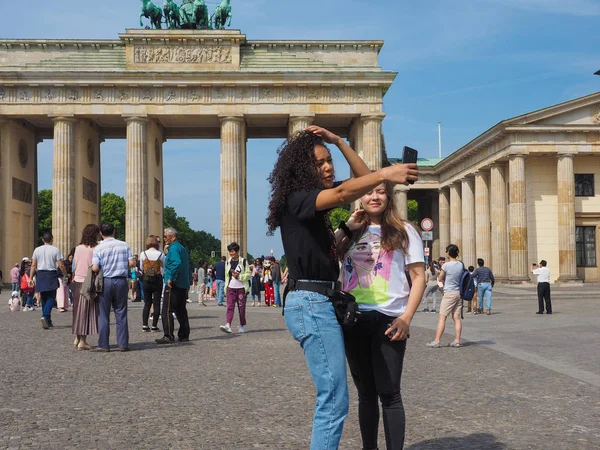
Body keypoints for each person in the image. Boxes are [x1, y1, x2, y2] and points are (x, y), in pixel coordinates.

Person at [266, 126, 418, 450]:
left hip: (317, 300)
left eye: (329, 160)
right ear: (302, 170)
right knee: (334, 399)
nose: (328, 167)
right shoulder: (298, 200)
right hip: (310, 302)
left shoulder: (309, 206)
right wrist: (391, 170)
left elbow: (367, 180)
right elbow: (342, 194)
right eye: (319, 163)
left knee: (335, 397)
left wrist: (339, 141)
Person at [338, 182, 425, 450]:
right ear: (359, 196)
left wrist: (406, 318)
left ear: (389, 195)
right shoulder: (351, 232)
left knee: (389, 394)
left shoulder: (404, 230)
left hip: (390, 320)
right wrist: (347, 227)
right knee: (365, 395)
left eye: (380, 191)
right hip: (355, 320)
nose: (374, 197)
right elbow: (323, 254)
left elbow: (419, 276)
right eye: (367, 191)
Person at [92, 223, 135, 352]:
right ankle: (123, 344)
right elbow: (132, 263)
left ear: (100, 233)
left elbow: (94, 267)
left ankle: (104, 344)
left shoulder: (98, 248)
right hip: (121, 281)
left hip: (105, 282)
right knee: (121, 313)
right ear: (114, 232)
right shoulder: (124, 245)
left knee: (104, 314)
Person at [155, 228, 191, 344]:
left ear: (173, 237)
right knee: (181, 310)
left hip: (173, 283)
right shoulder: (181, 248)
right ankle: (184, 334)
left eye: (166, 236)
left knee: (167, 310)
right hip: (183, 283)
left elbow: (176, 263)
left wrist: (172, 278)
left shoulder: (174, 248)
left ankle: (168, 335)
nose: (164, 238)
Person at [427, 244, 464, 348]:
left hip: (449, 293)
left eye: (446, 251)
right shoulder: (460, 264)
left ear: (448, 253)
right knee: (456, 318)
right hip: (458, 292)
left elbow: (441, 277)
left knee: (442, 317)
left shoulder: (446, 265)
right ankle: (457, 341)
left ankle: (437, 341)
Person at [71, 224, 101, 350]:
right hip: (88, 281)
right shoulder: (95, 248)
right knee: (86, 311)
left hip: (77, 280)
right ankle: (82, 341)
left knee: (77, 310)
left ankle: (77, 337)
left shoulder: (78, 248)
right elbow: (96, 265)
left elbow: (74, 265)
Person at [30, 232, 67, 329]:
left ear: (43, 240)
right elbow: (61, 265)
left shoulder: (37, 250)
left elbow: (33, 265)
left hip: (40, 274)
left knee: (44, 298)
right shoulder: (55, 250)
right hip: (51, 274)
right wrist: (65, 274)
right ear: (52, 240)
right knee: (51, 297)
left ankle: (48, 320)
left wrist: (30, 278)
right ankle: (45, 315)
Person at [220, 242, 251, 334]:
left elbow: (248, 275)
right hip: (231, 288)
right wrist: (226, 287)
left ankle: (242, 325)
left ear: (237, 251)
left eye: (233, 251)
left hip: (241, 288)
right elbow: (226, 276)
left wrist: (239, 276)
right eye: (230, 251)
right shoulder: (227, 262)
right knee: (230, 307)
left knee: (241, 308)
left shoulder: (244, 262)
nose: (231, 253)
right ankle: (228, 325)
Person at [139, 235, 165, 332]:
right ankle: (154, 325)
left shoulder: (143, 254)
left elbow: (141, 267)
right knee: (157, 303)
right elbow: (164, 267)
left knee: (147, 303)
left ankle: (145, 325)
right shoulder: (161, 254)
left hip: (146, 279)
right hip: (157, 279)